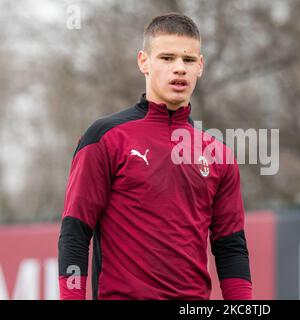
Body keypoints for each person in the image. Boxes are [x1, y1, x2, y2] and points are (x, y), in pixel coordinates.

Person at [57, 13, 252, 300]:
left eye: (187, 61)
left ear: (200, 66)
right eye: (166, 58)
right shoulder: (104, 137)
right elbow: (75, 231)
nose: (179, 69)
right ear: (143, 62)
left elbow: (230, 246)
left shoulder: (218, 154)